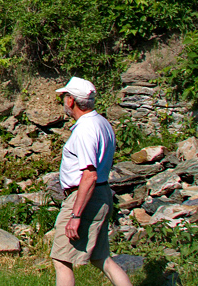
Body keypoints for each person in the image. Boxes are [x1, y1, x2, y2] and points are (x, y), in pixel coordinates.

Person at [50, 76, 132, 286]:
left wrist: (76, 215)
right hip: (102, 193)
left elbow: (89, 174)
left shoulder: (85, 129)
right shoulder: (102, 122)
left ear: (71, 101)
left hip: (85, 196)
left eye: (65, 97)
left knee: (61, 259)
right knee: (101, 258)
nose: (63, 102)